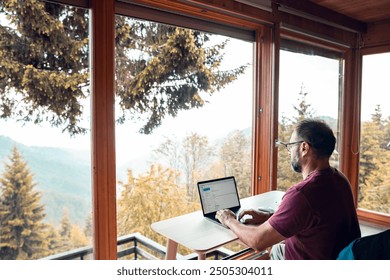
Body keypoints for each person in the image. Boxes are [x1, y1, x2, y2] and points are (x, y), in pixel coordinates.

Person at [216, 119, 361, 260]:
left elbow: (257, 241)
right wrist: (269, 217)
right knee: (276, 245)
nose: (289, 152)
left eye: (290, 145)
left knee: (265, 246)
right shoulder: (340, 179)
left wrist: (229, 220)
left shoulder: (302, 193)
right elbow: (316, 218)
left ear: (304, 148)